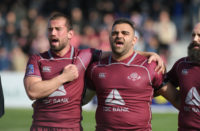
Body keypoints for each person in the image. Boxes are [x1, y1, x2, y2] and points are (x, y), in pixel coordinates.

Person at [24, 12, 165, 131]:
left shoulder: (85, 55)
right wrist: (63, 78)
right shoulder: (37, 59)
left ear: (69, 34)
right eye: (50, 29)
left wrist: (147, 54)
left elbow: (118, 52)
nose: (53, 33)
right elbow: (32, 92)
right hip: (40, 126)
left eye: (58, 29)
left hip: (71, 127)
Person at [84, 18, 180, 131]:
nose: (119, 36)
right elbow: (83, 100)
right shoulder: (96, 68)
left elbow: (177, 99)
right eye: (115, 33)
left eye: (125, 33)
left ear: (134, 40)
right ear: (110, 38)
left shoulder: (150, 67)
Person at [162, 23, 200, 131]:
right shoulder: (182, 64)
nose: (195, 39)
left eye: (199, 36)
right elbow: (160, 86)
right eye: (193, 35)